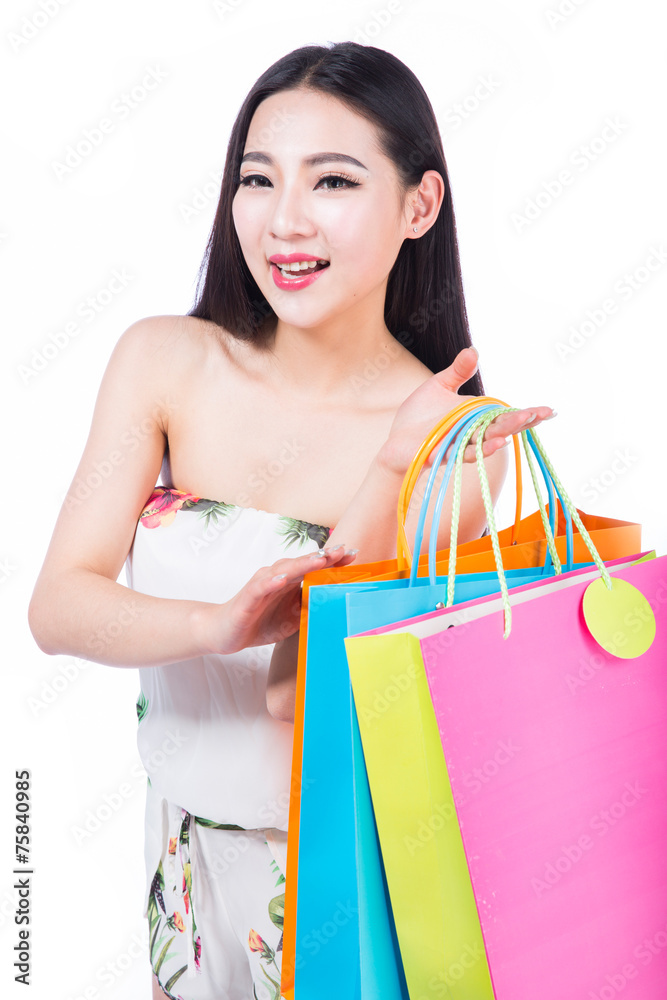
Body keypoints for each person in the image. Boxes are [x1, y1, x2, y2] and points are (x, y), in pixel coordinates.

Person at [28, 41, 553, 1000]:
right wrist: (212, 624)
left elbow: (296, 703)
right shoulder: (165, 362)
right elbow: (58, 606)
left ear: (419, 207)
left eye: (335, 180)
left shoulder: (455, 447)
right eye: (257, 179)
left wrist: (392, 467)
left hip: (334, 885)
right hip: (183, 867)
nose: (284, 221)